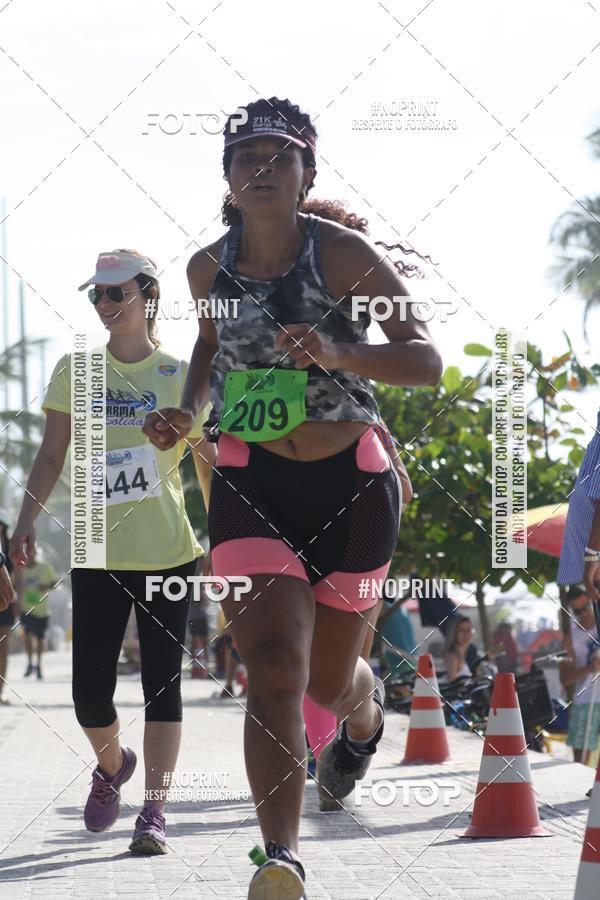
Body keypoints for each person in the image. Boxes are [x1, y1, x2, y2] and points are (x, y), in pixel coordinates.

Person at [143, 96, 442, 898]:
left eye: (280, 158)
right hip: (251, 481)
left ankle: (364, 714)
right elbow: (208, 345)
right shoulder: (207, 267)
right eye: (247, 160)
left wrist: (340, 348)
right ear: (229, 182)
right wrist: (191, 410)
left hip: (353, 486)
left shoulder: (342, 256)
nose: (263, 171)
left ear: (307, 174)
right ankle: (281, 859)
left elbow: (424, 360)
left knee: (324, 683)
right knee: (272, 667)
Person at [10, 249, 214, 856]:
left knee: (163, 686)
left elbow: (205, 463)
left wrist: (226, 542)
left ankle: (155, 810)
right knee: (89, 695)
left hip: (168, 551)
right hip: (96, 549)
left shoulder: (183, 375)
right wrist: (23, 522)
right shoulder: (76, 370)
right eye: (96, 295)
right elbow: (50, 455)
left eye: (116, 292)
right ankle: (112, 763)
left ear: (148, 295)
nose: (104, 305)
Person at [559, 585, 600, 764]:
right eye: (577, 611)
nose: (583, 613)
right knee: (581, 763)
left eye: (586, 607)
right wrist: (590, 668)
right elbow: (564, 679)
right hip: (585, 701)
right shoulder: (570, 639)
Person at [20, 547, 56, 679]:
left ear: (36, 553)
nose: (30, 555)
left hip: (42, 610)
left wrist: (46, 587)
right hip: (26, 608)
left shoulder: (45, 568)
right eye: (27, 553)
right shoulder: (20, 568)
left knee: (40, 638)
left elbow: (56, 582)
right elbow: (12, 583)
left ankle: (39, 665)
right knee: (27, 635)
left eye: (32, 553)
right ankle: (30, 663)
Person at [0, 513, 19, 704]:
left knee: (3, 650)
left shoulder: (9, 549)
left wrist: (17, 604)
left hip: (5, 603)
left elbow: (17, 578)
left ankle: (0, 691)